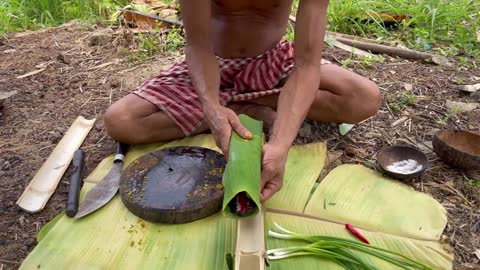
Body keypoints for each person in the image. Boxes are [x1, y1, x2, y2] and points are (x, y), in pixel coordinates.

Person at [104, 0, 381, 203]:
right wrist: (211, 106)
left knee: (363, 99)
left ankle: (249, 105)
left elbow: (307, 64)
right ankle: (236, 108)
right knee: (122, 121)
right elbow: (198, 46)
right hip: (213, 63)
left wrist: (281, 143)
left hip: (274, 59)